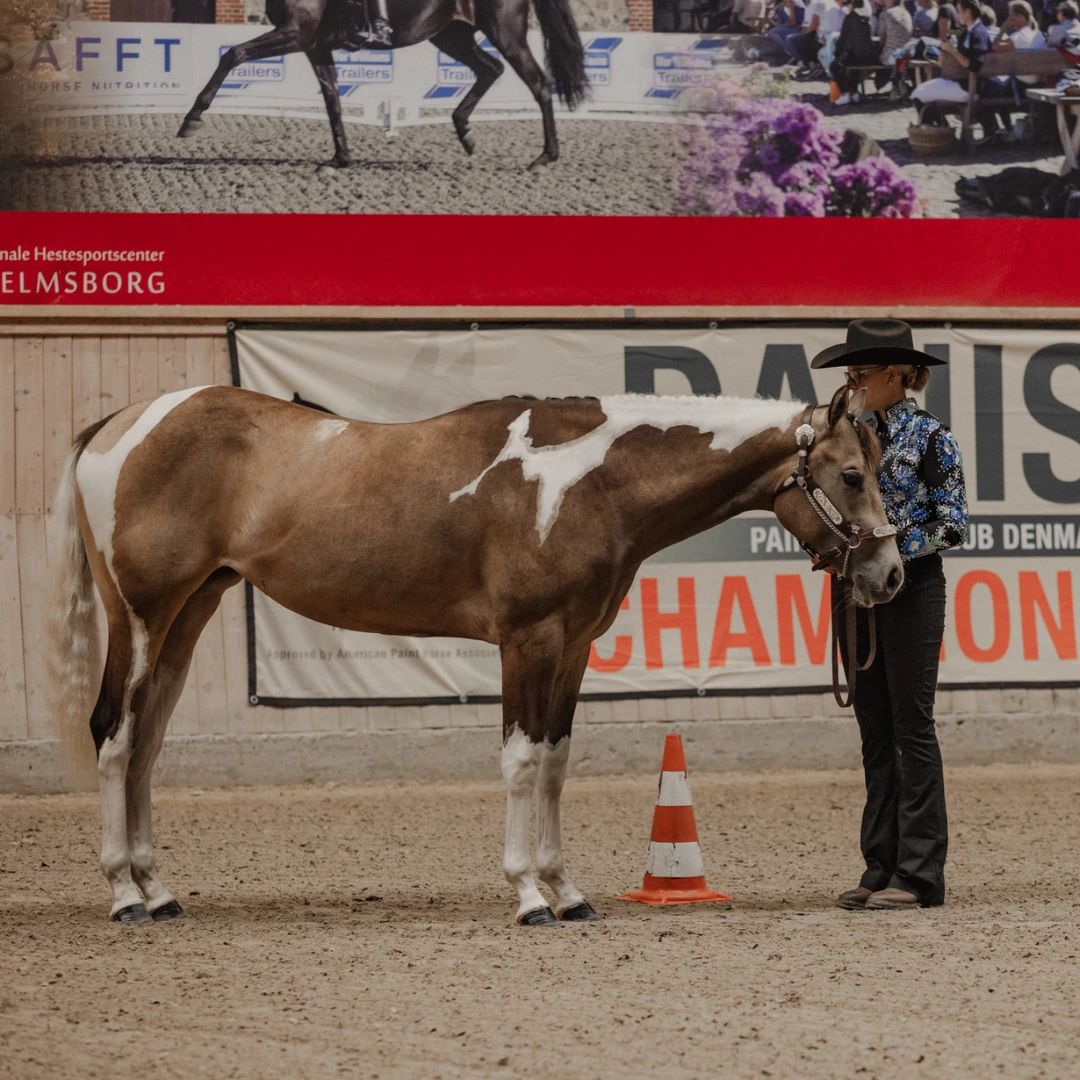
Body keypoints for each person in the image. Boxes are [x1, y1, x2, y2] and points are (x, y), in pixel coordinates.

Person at [811, 320, 968, 911]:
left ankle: (920, 871)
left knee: (912, 727)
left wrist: (891, 544)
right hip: (854, 588)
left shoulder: (932, 438)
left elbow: (953, 522)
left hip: (912, 589)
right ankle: (879, 863)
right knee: (874, 729)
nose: (852, 379)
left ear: (897, 375)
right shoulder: (845, 439)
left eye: (862, 369)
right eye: (850, 370)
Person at [912, 0, 993, 114]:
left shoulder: (977, 33)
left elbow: (973, 65)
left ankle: (934, 129)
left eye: (959, 11)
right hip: (965, 83)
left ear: (967, 12)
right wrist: (947, 57)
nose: (957, 15)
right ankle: (940, 127)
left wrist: (952, 50)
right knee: (921, 91)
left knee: (917, 95)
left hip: (968, 86)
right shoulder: (972, 31)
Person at [831, 0, 882, 101]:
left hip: (857, 56)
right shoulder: (867, 16)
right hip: (869, 56)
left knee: (834, 66)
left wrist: (836, 55)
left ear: (852, 4)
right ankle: (854, 93)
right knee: (854, 67)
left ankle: (845, 93)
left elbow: (843, 40)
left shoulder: (850, 17)